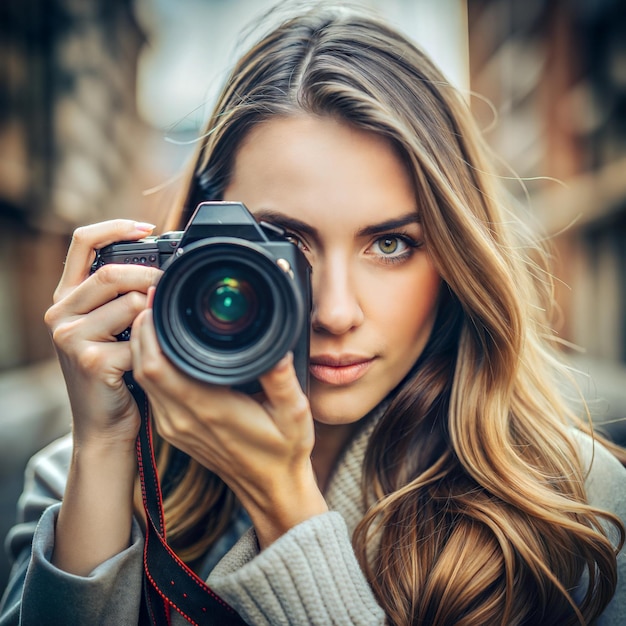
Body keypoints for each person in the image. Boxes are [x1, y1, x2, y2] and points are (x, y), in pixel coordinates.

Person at [1, 2, 625, 624]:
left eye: (390, 244)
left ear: (456, 258)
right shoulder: (79, 476)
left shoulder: (578, 505)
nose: (333, 311)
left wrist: (284, 503)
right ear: (199, 246)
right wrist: (107, 447)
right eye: (285, 245)